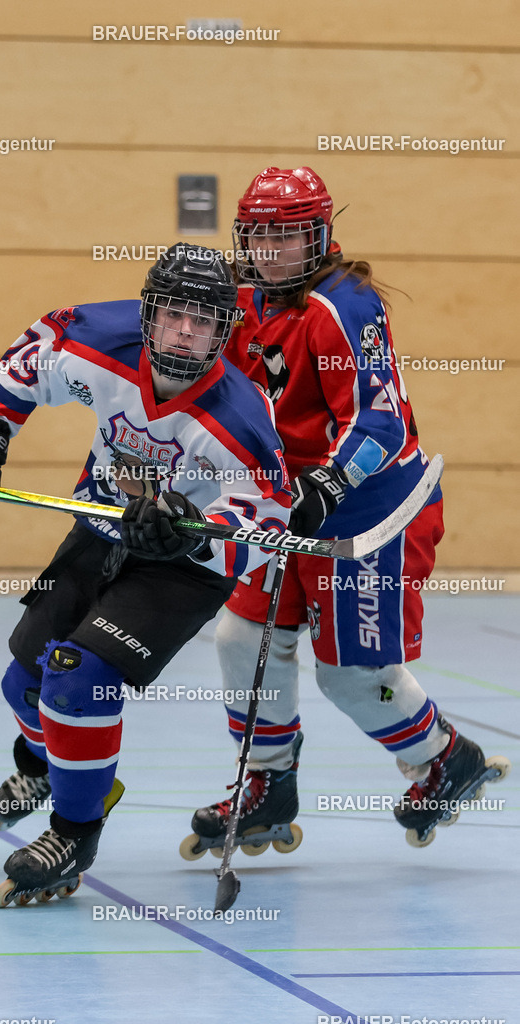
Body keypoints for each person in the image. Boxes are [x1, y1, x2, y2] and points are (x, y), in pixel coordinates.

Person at [0, 244, 292, 903]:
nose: (185, 332)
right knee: (24, 679)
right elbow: (29, 358)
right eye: (174, 314)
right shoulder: (97, 340)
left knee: (77, 678)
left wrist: (191, 527)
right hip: (98, 528)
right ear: (149, 313)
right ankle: (52, 766)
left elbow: (266, 515)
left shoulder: (239, 416)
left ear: (222, 332)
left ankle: (74, 830)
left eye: (203, 321)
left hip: (184, 567)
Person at [188, 167, 505, 852]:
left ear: (320, 235)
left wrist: (328, 486)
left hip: (370, 513)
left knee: (353, 675)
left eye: (287, 236)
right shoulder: (241, 299)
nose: (269, 250)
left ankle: (443, 754)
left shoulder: (345, 305)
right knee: (241, 639)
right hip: (286, 506)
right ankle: (269, 782)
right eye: (257, 235)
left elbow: (379, 423)